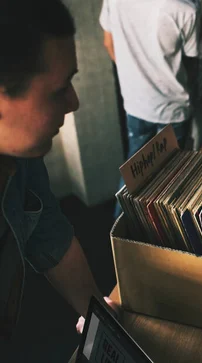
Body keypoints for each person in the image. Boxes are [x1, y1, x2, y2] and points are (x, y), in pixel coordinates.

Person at [0, 0, 112, 341]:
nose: (74, 102)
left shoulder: (23, 156)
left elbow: (50, 233)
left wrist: (100, 317)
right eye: (60, 90)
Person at [100, 0, 202, 216]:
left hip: (135, 103)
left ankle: (119, 236)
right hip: (174, 109)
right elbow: (192, 65)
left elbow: (108, 43)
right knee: (171, 179)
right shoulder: (186, 9)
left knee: (132, 177)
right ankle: (165, 235)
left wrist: (135, 77)